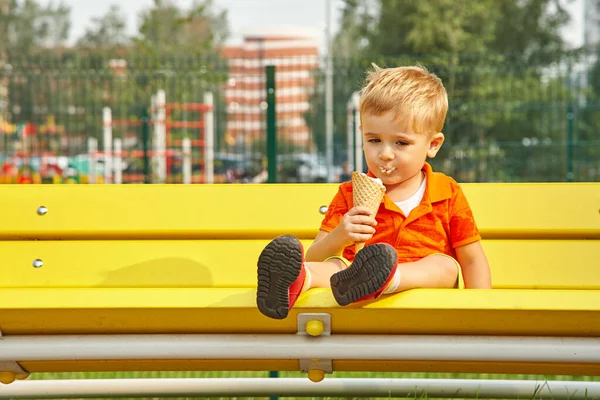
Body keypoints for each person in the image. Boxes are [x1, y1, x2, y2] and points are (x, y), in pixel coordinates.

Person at [256, 64, 492, 320]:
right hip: (354, 285)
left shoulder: (446, 192)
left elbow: (471, 260)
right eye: (374, 140)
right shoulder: (350, 193)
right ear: (362, 136)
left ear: (432, 144)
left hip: (425, 293)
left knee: (445, 266)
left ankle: (388, 279)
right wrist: (340, 235)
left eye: (401, 143)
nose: (385, 153)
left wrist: (482, 313)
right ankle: (295, 281)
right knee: (336, 265)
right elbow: (315, 253)